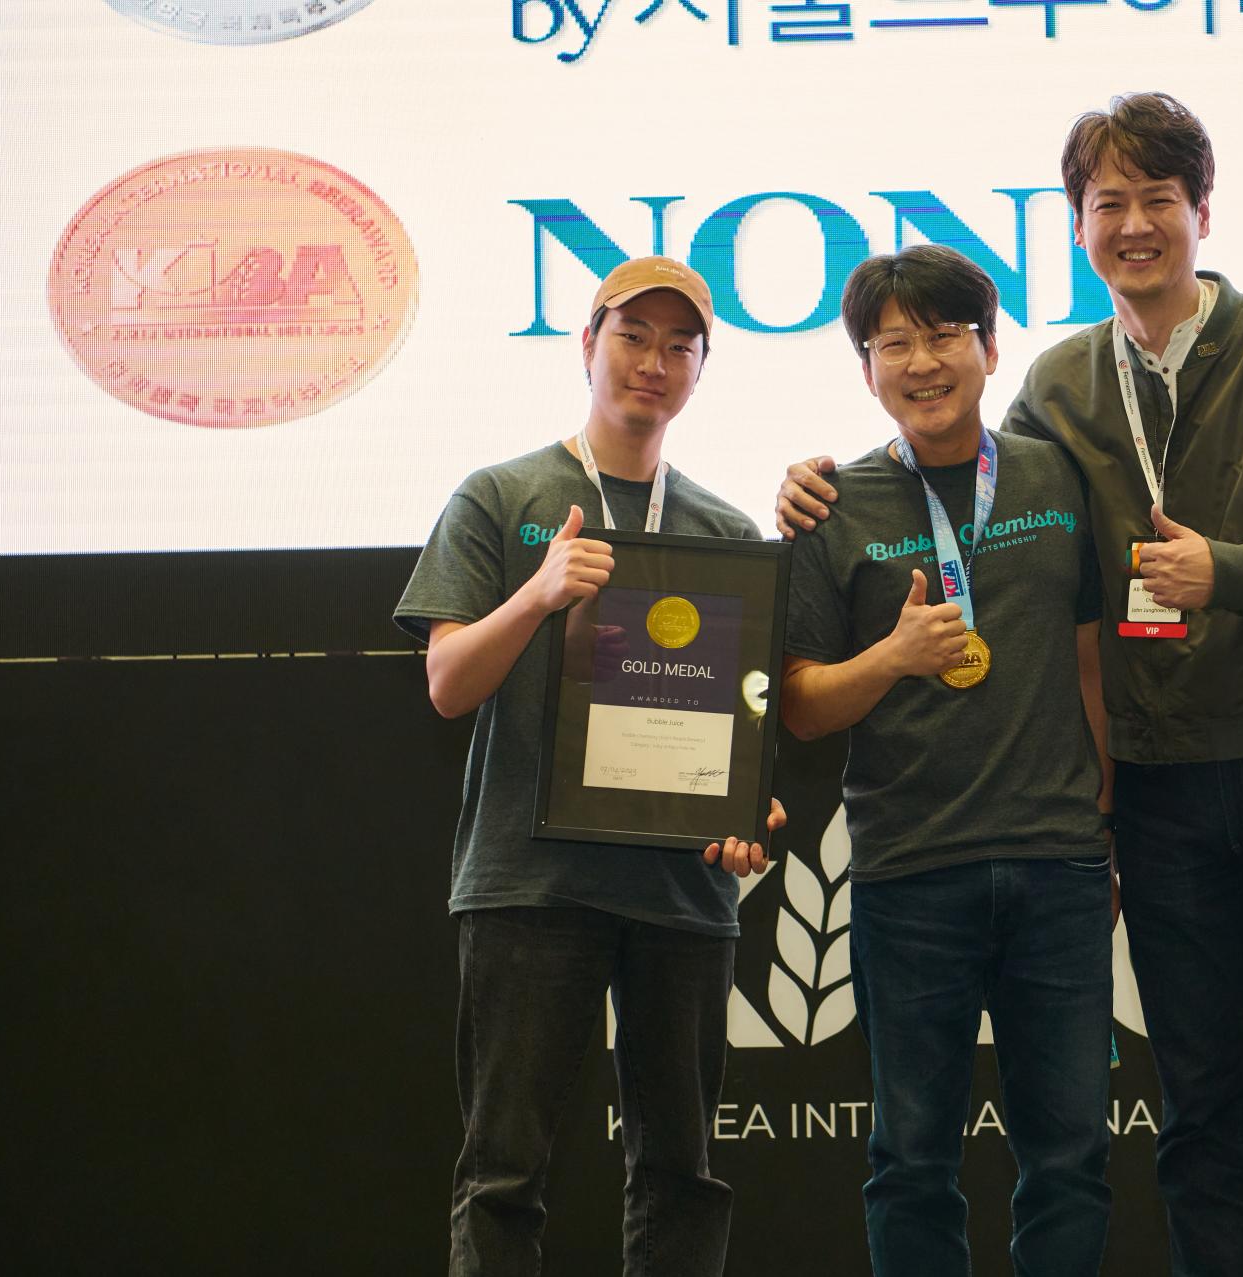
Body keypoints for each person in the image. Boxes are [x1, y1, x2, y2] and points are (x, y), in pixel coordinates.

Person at [777, 95, 1243, 1276]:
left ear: (1202, 211)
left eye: (1159, 198)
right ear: (1075, 227)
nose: (1135, 225)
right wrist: (813, 481)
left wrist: (1228, 570)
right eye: (1109, 203)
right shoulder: (1061, 385)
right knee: (1199, 1099)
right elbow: (954, 468)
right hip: (1160, 786)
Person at [395, 255, 785, 1277]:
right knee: (504, 1174)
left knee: (682, 1176)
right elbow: (446, 684)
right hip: (532, 882)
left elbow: (736, 722)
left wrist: (747, 804)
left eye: (679, 346)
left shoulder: (723, 531)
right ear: (587, 343)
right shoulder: (501, 495)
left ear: (700, 369)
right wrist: (536, 594)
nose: (654, 361)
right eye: (633, 336)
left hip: (680, 894)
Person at [779, 244, 1116, 1277]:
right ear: (866, 369)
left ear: (991, 348)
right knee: (912, 1161)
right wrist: (891, 657)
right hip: (909, 871)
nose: (922, 362)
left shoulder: (1057, 474)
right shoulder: (830, 505)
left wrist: (1107, 824)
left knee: (1070, 1157)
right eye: (894, 344)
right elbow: (798, 705)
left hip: (1058, 866)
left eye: (944, 335)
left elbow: (1091, 660)